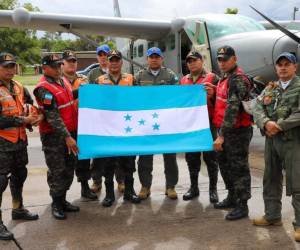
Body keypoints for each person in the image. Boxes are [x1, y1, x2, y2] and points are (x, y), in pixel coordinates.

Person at [252, 52, 300, 242]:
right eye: (279, 65)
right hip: (272, 141)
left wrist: (279, 125)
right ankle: (272, 215)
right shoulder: (271, 87)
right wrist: (265, 123)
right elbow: (257, 106)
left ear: (294, 67)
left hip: (293, 141)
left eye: (287, 64)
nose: (282, 67)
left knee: (297, 182)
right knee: (270, 178)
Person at [34, 54, 80, 220]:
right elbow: (53, 116)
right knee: (57, 170)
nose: (58, 69)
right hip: (55, 137)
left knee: (69, 168)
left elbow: (68, 98)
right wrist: (68, 137)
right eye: (54, 66)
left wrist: (82, 91)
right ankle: (56, 203)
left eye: (60, 65)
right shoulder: (43, 89)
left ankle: (63, 199)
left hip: (70, 132)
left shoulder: (63, 80)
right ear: (44, 68)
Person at [0, 52, 39, 240]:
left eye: (12, 66)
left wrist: (34, 116)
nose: (10, 69)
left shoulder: (19, 86)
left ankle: (18, 208)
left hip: (20, 141)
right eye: (6, 66)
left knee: (20, 175)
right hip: (2, 143)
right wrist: (23, 119)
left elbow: (30, 105)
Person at [95, 50, 141, 206]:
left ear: (121, 62)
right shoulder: (99, 80)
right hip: (108, 130)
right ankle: (109, 195)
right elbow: (94, 104)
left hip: (127, 130)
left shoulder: (131, 79)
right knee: (108, 164)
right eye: (111, 60)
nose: (114, 62)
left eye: (117, 60)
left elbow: (141, 101)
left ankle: (129, 192)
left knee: (129, 163)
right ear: (106, 62)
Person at [213, 46, 253, 220]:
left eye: (225, 59)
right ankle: (231, 196)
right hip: (225, 129)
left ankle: (242, 205)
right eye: (220, 59)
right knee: (225, 165)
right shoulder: (225, 78)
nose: (222, 62)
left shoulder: (237, 79)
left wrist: (221, 135)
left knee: (239, 168)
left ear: (234, 59)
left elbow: (232, 109)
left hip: (237, 131)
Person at [135, 47, 179, 200]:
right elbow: (132, 99)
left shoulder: (171, 76)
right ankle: (145, 187)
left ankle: (171, 186)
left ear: (162, 59)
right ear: (147, 59)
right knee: (145, 157)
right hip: (146, 124)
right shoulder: (139, 77)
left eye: (157, 56)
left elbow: (178, 96)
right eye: (151, 57)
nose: (154, 59)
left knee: (170, 156)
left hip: (166, 123)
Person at [180, 51, 219, 203]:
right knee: (192, 157)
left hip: (208, 123)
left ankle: (213, 190)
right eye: (189, 61)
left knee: (211, 157)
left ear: (201, 61)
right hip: (191, 125)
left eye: (194, 60)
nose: (191, 63)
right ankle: (194, 187)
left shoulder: (212, 78)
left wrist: (213, 93)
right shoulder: (183, 80)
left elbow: (222, 98)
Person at [87, 44, 125, 193]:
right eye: (100, 54)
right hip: (101, 122)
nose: (103, 57)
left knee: (119, 153)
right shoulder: (94, 75)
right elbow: (90, 96)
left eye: (105, 54)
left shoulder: (128, 78)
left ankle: (121, 180)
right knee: (98, 154)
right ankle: (97, 181)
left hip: (121, 122)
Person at [62, 50, 97, 200]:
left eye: (74, 61)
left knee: (83, 159)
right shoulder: (58, 81)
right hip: (64, 127)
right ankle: (60, 196)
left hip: (83, 126)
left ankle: (85, 187)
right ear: (62, 64)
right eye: (69, 61)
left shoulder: (84, 79)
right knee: (63, 163)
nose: (72, 64)